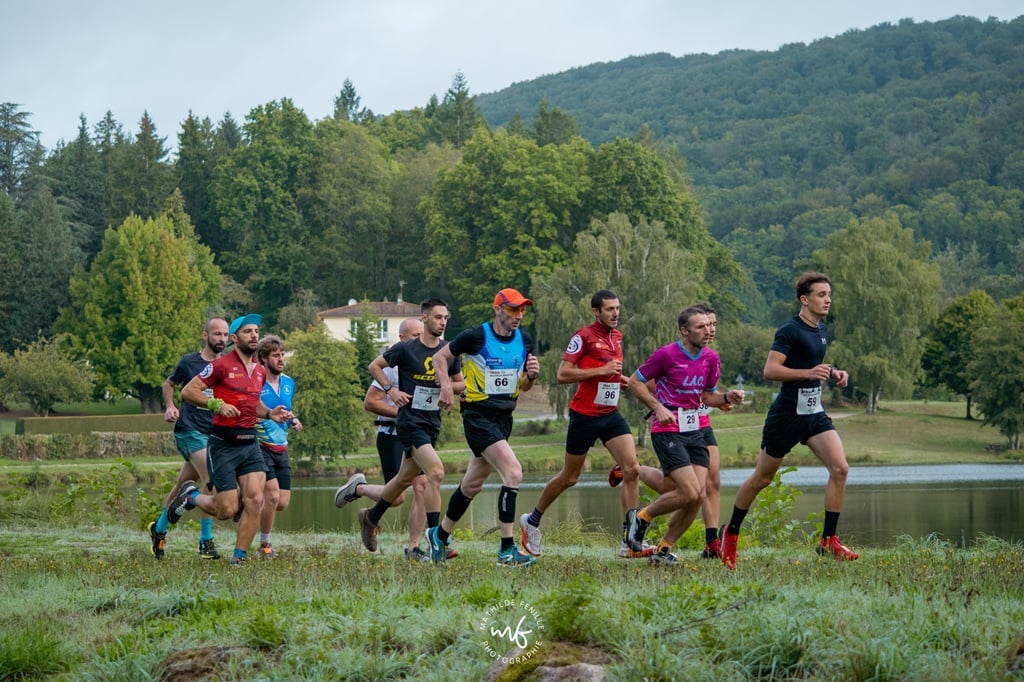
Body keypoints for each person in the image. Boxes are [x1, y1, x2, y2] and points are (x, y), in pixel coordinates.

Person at [720, 272, 857, 569]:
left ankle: (828, 541)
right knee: (762, 478)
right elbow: (771, 370)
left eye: (829, 294)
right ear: (804, 299)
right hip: (785, 416)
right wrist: (809, 373)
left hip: (813, 413)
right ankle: (730, 534)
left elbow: (811, 364)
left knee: (840, 468)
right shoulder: (789, 330)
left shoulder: (821, 330)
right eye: (821, 295)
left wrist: (833, 373)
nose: (828, 300)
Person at [519, 289, 650, 559]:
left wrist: (621, 380)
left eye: (617, 308)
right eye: (609, 309)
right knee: (570, 477)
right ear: (596, 311)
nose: (616, 313)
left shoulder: (617, 337)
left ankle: (630, 539)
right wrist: (600, 372)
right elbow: (563, 374)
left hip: (610, 414)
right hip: (585, 415)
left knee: (632, 469)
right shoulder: (583, 337)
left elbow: (609, 372)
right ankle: (532, 520)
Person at [165, 313, 293, 567]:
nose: (254, 335)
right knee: (226, 510)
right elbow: (188, 391)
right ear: (235, 338)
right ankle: (190, 497)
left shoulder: (258, 370)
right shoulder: (221, 365)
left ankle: (239, 558)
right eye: (248, 332)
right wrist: (216, 404)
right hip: (223, 444)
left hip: (250, 444)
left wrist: (269, 413)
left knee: (255, 500)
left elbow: (252, 402)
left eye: (256, 331)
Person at [427, 288, 541, 567]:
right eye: (513, 310)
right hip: (478, 417)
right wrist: (445, 386)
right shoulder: (476, 336)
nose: (519, 316)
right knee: (513, 472)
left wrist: (532, 377)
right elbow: (439, 358)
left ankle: (439, 536)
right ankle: (506, 549)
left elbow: (523, 385)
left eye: (522, 310)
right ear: (498, 309)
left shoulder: (525, 340)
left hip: (504, 418)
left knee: (472, 484)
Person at [608, 302, 731, 559]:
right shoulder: (666, 354)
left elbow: (707, 396)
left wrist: (728, 397)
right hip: (667, 431)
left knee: (697, 496)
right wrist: (658, 406)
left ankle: (663, 549)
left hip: (695, 430)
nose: (708, 330)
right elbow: (635, 381)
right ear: (684, 331)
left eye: (710, 325)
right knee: (688, 491)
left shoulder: (711, 358)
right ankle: (641, 518)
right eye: (701, 326)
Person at [334, 316, 458, 561]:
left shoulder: (433, 361)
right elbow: (370, 402)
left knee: (422, 485)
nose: (419, 340)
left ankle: (414, 548)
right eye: (414, 336)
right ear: (401, 339)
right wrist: (402, 411)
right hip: (392, 434)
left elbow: (451, 386)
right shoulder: (392, 364)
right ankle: (358, 489)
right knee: (399, 495)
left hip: (420, 430)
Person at [149, 317, 229, 560]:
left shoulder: (226, 365)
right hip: (189, 431)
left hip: (212, 433)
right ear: (205, 335)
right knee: (212, 482)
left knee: (182, 485)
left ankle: (159, 529)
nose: (222, 339)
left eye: (225, 335)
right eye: (217, 334)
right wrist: (170, 406)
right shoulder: (189, 362)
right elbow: (169, 383)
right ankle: (206, 541)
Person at [253, 334, 303, 558]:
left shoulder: (289, 383)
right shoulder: (255, 382)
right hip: (259, 445)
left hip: (281, 447)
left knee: (281, 502)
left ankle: (248, 503)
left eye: (282, 355)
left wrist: (293, 419)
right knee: (272, 497)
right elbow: (250, 411)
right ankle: (264, 546)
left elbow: (284, 409)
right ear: (263, 358)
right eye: (275, 356)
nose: (281, 359)